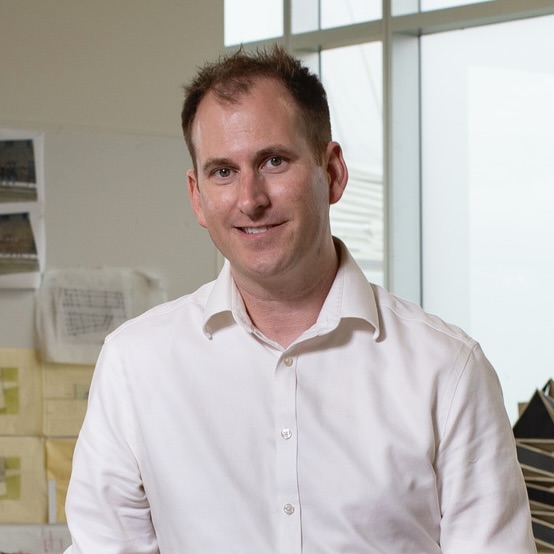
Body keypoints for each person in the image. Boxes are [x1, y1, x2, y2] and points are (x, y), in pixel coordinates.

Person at [64, 46, 536, 553]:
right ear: (197, 195)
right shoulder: (136, 365)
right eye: (223, 171)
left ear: (332, 172)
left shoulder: (447, 370)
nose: (250, 199)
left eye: (273, 161)